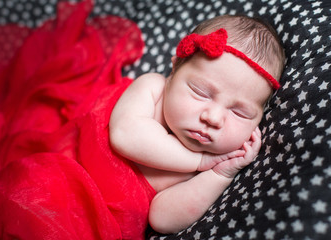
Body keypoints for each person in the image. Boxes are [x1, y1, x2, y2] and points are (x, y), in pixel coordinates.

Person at [109, 14, 285, 234]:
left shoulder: (210, 167)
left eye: (239, 112)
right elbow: (124, 135)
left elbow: (161, 219)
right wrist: (199, 160)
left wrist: (219, 176)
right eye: (200, 92)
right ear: (174, 70)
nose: (213, 118)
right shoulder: (153, 88)